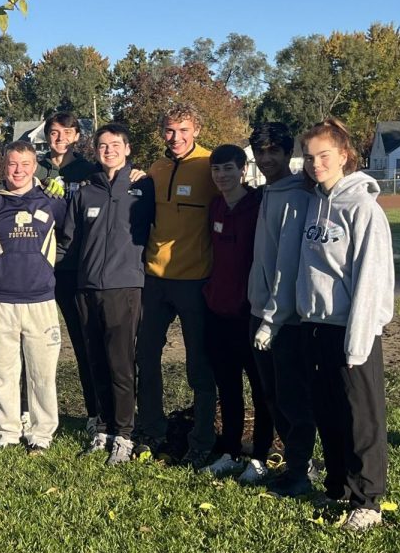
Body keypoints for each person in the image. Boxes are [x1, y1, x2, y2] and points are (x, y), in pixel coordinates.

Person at [296, 118, 394, 532]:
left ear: (344, 156)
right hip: (315, 326)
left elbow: (371, 278)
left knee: (361, 416)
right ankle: (336, 484)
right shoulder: (316, 201)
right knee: (329, 412)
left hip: (353, 330)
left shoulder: (363, 207)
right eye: (310, 156)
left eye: (324, 156)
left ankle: (368, 498)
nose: (316, 163)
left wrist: (358, 343)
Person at [59, 124, 154, 465]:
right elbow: (68, 241)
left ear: (128, 149)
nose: (108, 150)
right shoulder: (85, 192)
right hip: (87, 288)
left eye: (115, 144)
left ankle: (124, 434)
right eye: (102, 145)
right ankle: (103, 428)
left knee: (120, 364)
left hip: (124, 286)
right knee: (94, 359)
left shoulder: (143, 187)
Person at [134, 103, 219, 465]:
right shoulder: (157, 167)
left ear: (197, 129)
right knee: (145, 357)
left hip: (195, 280)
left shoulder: (211, 166)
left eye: (183, 130)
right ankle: (152, 429)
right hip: (154, 279)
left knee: (199, 364)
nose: (176, 137)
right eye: (169, 130)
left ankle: (201, 439)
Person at [0, 141, 67, 453]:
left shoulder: (51, 201)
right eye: (13, 164)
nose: (19, 170)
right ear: (5, 166)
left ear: (34, 167)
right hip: (1, 299)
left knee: (42, 372)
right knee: (2, 370)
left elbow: (68, 238)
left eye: (25, 164)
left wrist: (46, 268)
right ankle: (7, 433)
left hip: (40, 299)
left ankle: (41, 435)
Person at [246, 123, 318, 498]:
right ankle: (294, 463)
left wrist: (272, 319)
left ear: (287, 154)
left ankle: (301, 471)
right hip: (260, 310)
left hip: (284, 319)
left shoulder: (295, 197)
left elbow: (287, 264)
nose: (267, 158)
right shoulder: (269, 193)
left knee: (293, 398)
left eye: (275, 150)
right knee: (273, 395)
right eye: (261, 151)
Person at [200, 144, 274, 483]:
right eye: (217, 169)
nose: (222, 175)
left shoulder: (258, 206)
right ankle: (230, 450)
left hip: (250, 312)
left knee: (260, 389)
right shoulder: (215, 206)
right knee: (227, 386)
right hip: (217, 310)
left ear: (243, 170)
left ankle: (259, 456)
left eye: (228, 168)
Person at [38, 113, 100, 435]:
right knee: (33, 343)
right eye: (53, 132)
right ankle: (27, 412)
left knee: (84, 341)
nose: (59, 138)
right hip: (36, 267)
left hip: (75, 267)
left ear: (76, 136)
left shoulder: (89, 170)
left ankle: (94, 413)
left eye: (66, 132)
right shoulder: (34, 168)